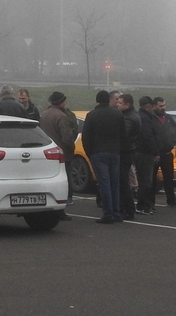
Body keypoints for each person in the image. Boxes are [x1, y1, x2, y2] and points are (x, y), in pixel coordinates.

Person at [81, 90, 126, 223]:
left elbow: (86, 137)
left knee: (104, 184)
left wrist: (90, 153)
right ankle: (117, 213)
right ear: (109, 100)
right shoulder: (118, 114)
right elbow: (123, 134)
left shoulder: (92, 115)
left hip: (98, 153)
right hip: (114, 152)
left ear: (97, 101)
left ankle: (108, 214)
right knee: (114, 184)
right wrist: (119, 150)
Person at [39, 91, 79, 220]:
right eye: (64, 101)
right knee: (62, 183)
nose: (65, 103)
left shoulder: (44, 114)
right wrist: (71, 149)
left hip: (46, 153)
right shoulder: (61, 116)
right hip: (61, 155)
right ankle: (60, 210)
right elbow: (67, 138)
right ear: (60, 102)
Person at [153, 97, 176, 207]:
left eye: (164, 105)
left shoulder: (169, 118)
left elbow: (175, 130)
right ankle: (151, 201)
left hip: (167, 153)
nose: (163, 108)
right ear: (154, 106)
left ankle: (171, 200)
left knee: (169, 178)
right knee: (152, 179)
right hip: (155, 153)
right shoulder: (151, 119)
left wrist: (172, 142)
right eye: (160, 106)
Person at [134, 96, 160, 215]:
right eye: (152, 106)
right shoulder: (145, 119)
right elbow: (148, 137)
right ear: (147, 106)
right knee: (145, 181)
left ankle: (146, 204)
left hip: (141, 153)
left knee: (144, 180)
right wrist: (155, 152)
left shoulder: (142, 116)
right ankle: (143, 205)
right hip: (144, 154)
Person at [116, 93, 140, 219]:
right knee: (124, 180)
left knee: (123, 181)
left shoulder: (128, 118)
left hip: (125, 152)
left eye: (120, 103)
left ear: (127, 104)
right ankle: (127, 208)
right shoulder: (131, 115)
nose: (117, 105)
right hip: (129, 150)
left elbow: (124, 135)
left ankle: (127, 209)